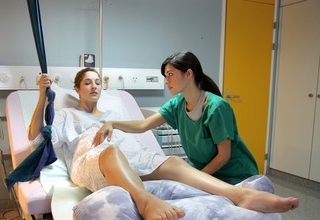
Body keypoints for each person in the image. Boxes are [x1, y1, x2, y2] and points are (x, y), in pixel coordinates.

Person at [29, 67, 298, 220]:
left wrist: (115, 126)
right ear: (76, 89)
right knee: (109, 151)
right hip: (90, 160)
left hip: (130, 157)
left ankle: (240, 196)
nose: (94, 86)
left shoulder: (113, 114)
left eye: (98, 82)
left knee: (174, 162)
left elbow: (139, 128)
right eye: (87, 82)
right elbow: (34, 137)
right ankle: (146, 203)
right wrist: (43, 97)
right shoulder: (66, 116)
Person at [94, 50, 258, 185]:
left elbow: (224, 156)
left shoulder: (216, 107)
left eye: (170, 74)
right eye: (165, 76)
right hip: (204, 173)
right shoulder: (177, 104)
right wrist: (112, 123)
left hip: (235, 175)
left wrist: (196, 178)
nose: (166, 81)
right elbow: (143, 125)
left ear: (188, 74)